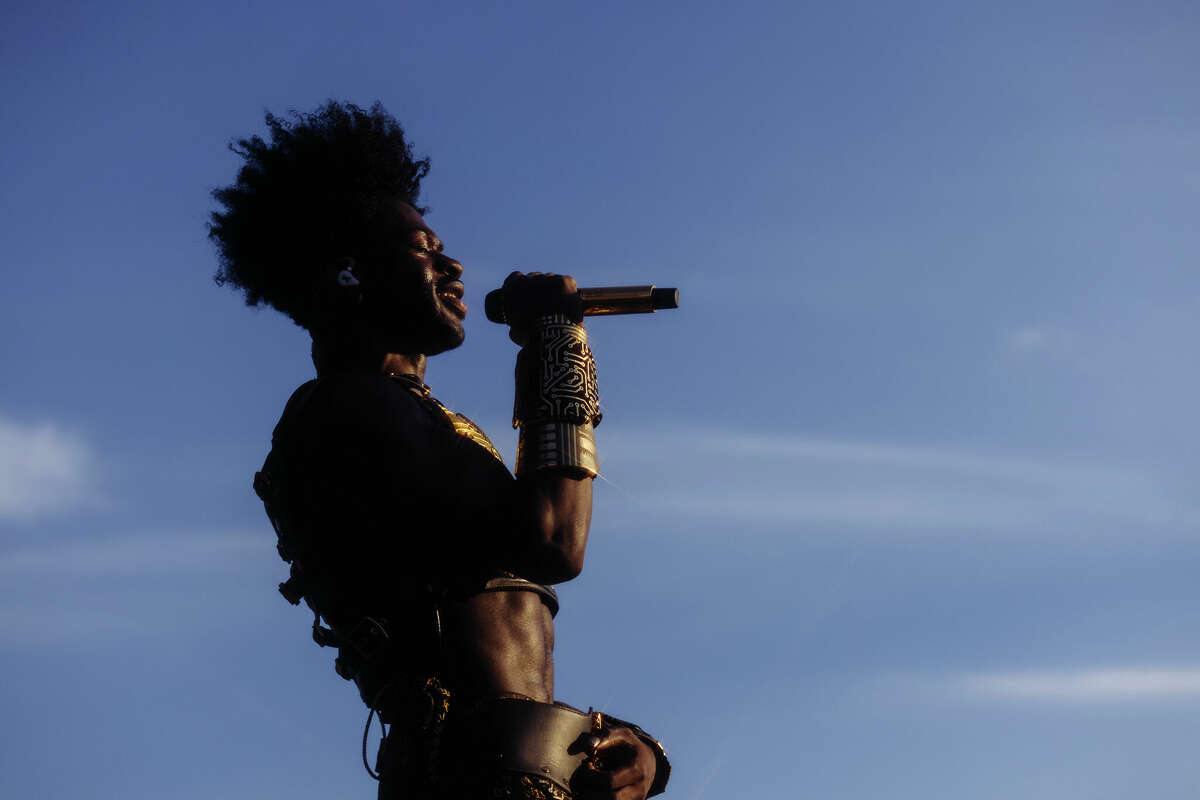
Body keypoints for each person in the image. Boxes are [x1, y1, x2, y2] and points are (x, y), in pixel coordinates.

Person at [209, 101, 670, 800]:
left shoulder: (414, 416)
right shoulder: (343, 410)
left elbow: (498, 649)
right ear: (348, 273)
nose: (453, 264)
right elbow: (552, 541)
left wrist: (631, 748)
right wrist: (557, 344)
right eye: (424, 249)